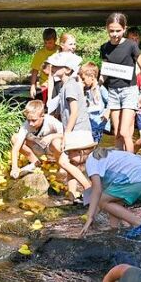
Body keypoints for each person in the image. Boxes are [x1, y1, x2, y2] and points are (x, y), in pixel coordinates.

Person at [47, 52, 96, 200]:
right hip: (76, 130)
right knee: (73, 164)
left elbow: (74, 112)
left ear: (68, 69)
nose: (53, 68)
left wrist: (66, 133)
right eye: (53, 66)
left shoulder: (70, 86)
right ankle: (72, 194)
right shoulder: (65, 85)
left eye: (57, 66)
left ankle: (89, 188)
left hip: (78, 130)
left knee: (64, 161)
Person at [78, 147, 141, 239]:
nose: (68, 158)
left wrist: (89, 217)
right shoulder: (104, 157)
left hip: (134, 178)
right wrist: (93, 215)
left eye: (70, 153)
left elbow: (97, 190)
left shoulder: (91, 160)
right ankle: (114, 231)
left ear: (80, 152)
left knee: (102, 201)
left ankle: (139, 224)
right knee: (111, 202)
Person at [100, 13, 141, 154]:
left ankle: (131, 164)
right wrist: (98, 83)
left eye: (118, 31)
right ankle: (119, 164)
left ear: (124, 29)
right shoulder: (104, 47)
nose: (114, 34)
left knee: (125, 132)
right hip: (113, 92)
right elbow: (105, 70)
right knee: (117, 134)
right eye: (111, 31)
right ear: (107, 29)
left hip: (129, 91)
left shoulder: (131, 45)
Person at [9, 99, 64, 179]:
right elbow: (15, 149)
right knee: (15, 138)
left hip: (51, 149)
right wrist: (14, 168)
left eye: (34, 120)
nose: (31, 123)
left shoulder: (50, 121)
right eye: (28, 120)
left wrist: (52, 136)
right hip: (38, 148)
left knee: (57, 142)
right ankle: (36, 162)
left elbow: (66, 134)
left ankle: (61, 165)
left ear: (42, 116)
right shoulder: (26, 125)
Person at [80, 61, 109, 145]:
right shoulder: (84, 90)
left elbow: (111, 102)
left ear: (92, 77)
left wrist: (107, 114)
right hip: (86, 126)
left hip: (98, 125)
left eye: (83, 79)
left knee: (93, 146)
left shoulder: (101, 89)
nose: (82, 82)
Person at [28, 27, 57, 100]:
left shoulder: (59, 50)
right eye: (45, 43)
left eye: (50, 43)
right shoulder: (40, 53)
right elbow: (35, 71)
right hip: (45, 85)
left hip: (57, 83)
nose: (47, 45)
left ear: (55, 40)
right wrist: (32, 86)